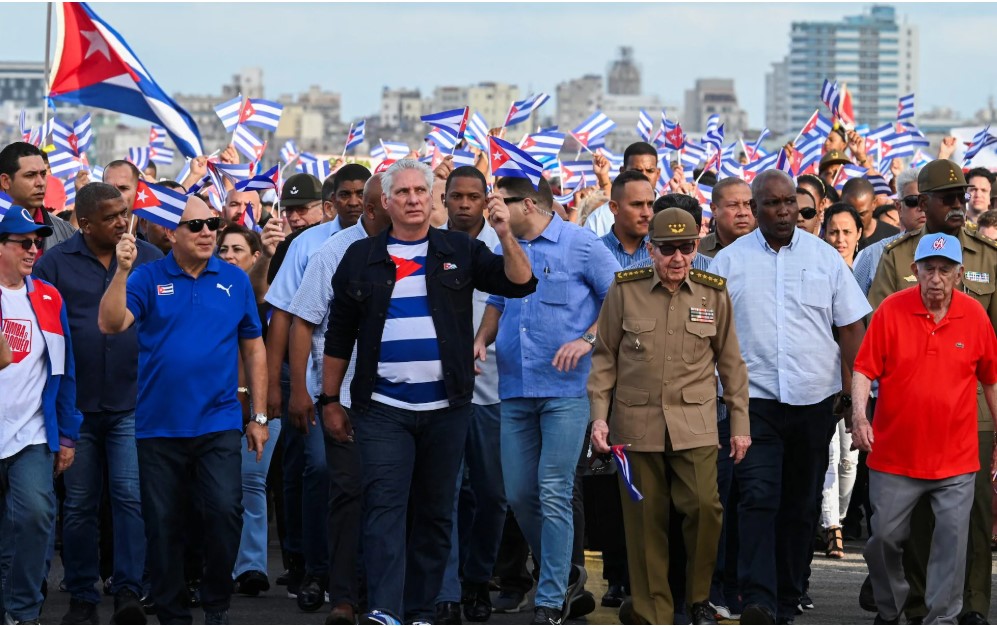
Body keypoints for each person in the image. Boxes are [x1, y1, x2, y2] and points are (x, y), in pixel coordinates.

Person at [320, 160, 535, 624]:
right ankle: (384, 609)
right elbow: (339, 335)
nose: (415, 199)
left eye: (422, 190)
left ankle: (421, 610)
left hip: (447, 408)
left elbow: (520, 282)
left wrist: (505, 232)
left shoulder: (460, 249)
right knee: (384, 510)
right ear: (386, 203)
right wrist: (329, 400)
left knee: (437, 514)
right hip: (381, 409)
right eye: (404, 192)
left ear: (432, 198)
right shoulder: (360, 258)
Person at [97, 195, 269, 625]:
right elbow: (111, 323)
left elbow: (254, 346)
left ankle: (215, 601)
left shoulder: (234, 279)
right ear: (172, 234)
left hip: (219, 422)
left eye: (212, 223)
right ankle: (174, 613)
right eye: (196, 226)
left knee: (226, 511)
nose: (209, 231)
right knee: (163, 524)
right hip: (159, 426)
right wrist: (120, 271)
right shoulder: (148, 277)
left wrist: (259, 417)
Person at [710, 170, 871, 625]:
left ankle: (788, 594)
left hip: (813, 401)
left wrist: (849, 394)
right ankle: (757, 598)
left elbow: (850, 329)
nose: (784, 212)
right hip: (752, 402)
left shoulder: (825, 260)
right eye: (774, 204)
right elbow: (710, 332)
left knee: (799, 504)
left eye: (792, 206)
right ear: (755, 208)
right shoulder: (729, 262)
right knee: (757, 497)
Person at [588, 207, 751, 625]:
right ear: (650, 249)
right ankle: (653, 612)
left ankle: (697, 596)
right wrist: (599, 418)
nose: (677, 258)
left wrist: (739, 425)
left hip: (694, 424)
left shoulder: (713, 292)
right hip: (635, 425)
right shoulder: (625, 289)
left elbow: (731, 363)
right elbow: (605, 357)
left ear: (697, 247)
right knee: (645, 521)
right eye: (667, 249)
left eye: (686, 247)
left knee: (704, 508)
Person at [473, 174, 620, 625]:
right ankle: (566, 570)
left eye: (501, 204)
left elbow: (620, 298)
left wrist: (587, 338)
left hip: (568, 392)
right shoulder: (506, 248)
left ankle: (551, 599)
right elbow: (498, 300)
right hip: (515, 388)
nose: (492, 211)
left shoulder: (580, 244)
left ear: (529, 205)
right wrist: (480, 340)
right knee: (517, 493)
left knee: (553, 491)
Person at [867, 159, 997, 625]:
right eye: (948, 198)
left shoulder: (988, 255)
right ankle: (915, 603)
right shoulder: (897, 257)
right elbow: (878, 328)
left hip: (975, 407)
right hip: (909, 410)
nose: (959, 204)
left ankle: (974, 606)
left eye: (963, 196)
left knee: (972, 520)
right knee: (914, 525)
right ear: (923, 203)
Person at [32, 183, 162, 625]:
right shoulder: (53, 263)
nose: (122, 222)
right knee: (81, 503)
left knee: (130, 498)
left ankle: (128, 591)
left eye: (124, 213)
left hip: (133, 400)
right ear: (82, 224)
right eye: (110, 217)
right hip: (78, 405)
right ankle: (83, 593)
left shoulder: (148, 260)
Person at [286, 173, 391, 624]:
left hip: (406, 400)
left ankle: (387, 594)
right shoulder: (331, 252)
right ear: (373, 209)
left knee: (390, 498)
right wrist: (301, 392)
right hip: (344, 397)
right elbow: (301, 321)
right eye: (395, 200)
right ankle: (343, 594)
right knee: (346, 492)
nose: (411, 209)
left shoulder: (425, 249)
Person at [265, 165, 369, 611]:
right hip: (316, 382)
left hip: (376, 388)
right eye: (344, 194)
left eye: (359, 193)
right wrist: (280, 387)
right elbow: (285, 317)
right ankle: (315, 569)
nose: (352, 201)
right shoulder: (308, 244)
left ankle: (362, 575)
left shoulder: (394, 239)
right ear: (331, 201)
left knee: (367, 481)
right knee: (320, 472)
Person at [427, 164, 511, 624]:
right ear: (446, 201)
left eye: (472, 197)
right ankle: (447, 590)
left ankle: (479, 579)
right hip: (441, 393)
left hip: (496, 390)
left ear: (486, 199)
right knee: (445, 494)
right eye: (455, 196)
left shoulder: (503, 245)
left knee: (492, 494)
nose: (463, 204)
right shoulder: (430, 245)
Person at [0, 206, 81, 625]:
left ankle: (22, 612)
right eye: (23, 242)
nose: (34, 249)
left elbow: (65, 369)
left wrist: (67, 434)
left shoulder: (48, 296)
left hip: (32, 433)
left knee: (34, 516)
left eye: (37, 242)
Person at [215, 225, 285, 600]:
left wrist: (268, 259)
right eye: (222, 249)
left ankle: (252, 566)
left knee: (252, 483)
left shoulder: (263, 294)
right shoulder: (207, 291)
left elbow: (256, 288)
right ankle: (219, 564)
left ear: (254, 256)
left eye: (237, 249)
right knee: (218, 490)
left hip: (259, 405)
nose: (228, 255)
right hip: (214, 407)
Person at [852, 167, 923, 296]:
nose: (921, 208)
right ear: (899, 207)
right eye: (913, 201)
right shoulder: (873, 255)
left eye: (926, 200)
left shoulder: (955, 249)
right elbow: (853, 309)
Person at [0, 142, 75, 252]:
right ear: (5, 181)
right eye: (30, 175)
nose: (40, 183)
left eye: (43, 174)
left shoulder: (66, 233)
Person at [585, 142, 661, 237]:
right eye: (636, 171)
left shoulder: (670, 212)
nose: (643, 176)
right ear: (622, 171)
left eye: (650, 171)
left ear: (658, 173)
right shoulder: (599, 218)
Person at [599, 170, 654, 268]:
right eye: (637, 204)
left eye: (650, 204)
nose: (646, 213)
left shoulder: (664, 251)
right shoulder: (595, 252)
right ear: (614, 207)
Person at [701, 178, 755, 258]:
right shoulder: (697, 252)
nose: (743, 213)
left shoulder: (772, 248)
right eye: (733, 205)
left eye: (747, 204)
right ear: (714, 209)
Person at [841, 178, 899, 250]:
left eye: (862, 214)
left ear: (874, 204)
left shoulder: (893, 238)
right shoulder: (834, 239)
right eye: (850, 213)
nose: (855, 219)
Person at [823, 202, 863, 268]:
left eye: (847, 232)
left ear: (859, 233)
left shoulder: (868, 273)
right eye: (833, 232)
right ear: (825, 234)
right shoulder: (815, 272)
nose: (840, 239)